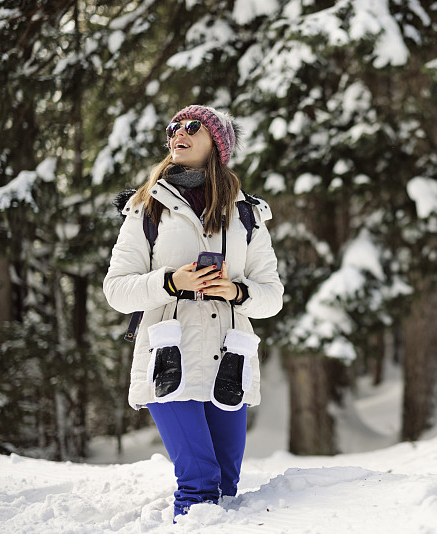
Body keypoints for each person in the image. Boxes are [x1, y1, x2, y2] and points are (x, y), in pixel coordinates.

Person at [103, 105, 284, 519]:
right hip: (170, 354)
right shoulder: (147, 207)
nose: (177, 134)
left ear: (216, 144)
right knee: (199, 481)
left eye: (191, 126)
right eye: (172, 128)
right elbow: (116, 290)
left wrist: (236, 291)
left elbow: (272, 295)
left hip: (228, 358)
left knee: (225, 481)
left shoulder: (247, 214)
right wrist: (170, 282)